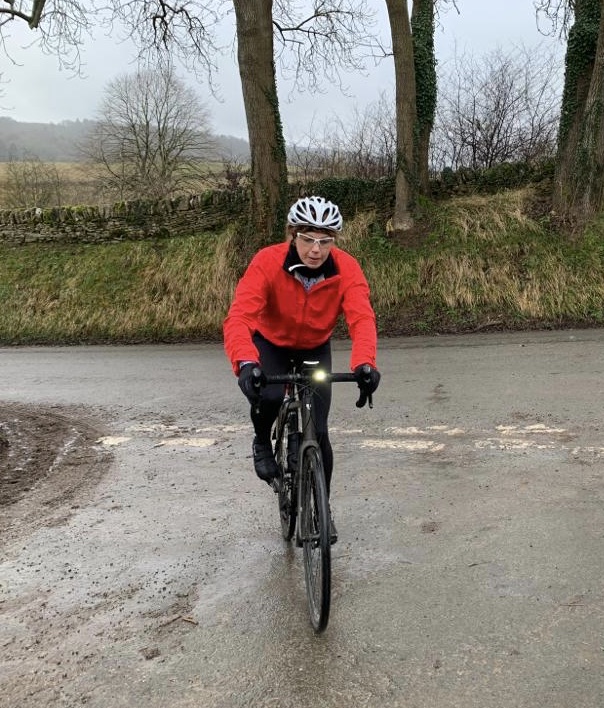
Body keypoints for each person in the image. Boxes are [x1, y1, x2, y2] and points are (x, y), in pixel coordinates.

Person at [223, 195, 380, 537]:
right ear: (292, 235)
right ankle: (262, 441)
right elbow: (239, 317)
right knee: (269, 395)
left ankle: (322, 508)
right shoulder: (268, 262)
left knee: (319, 432)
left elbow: (362, 319)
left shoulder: (346, 268)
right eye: (308, 239)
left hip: (314, 346)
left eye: (325, 241)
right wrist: (246, 362)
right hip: (272, 342)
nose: (316, 250)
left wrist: (365, 363)